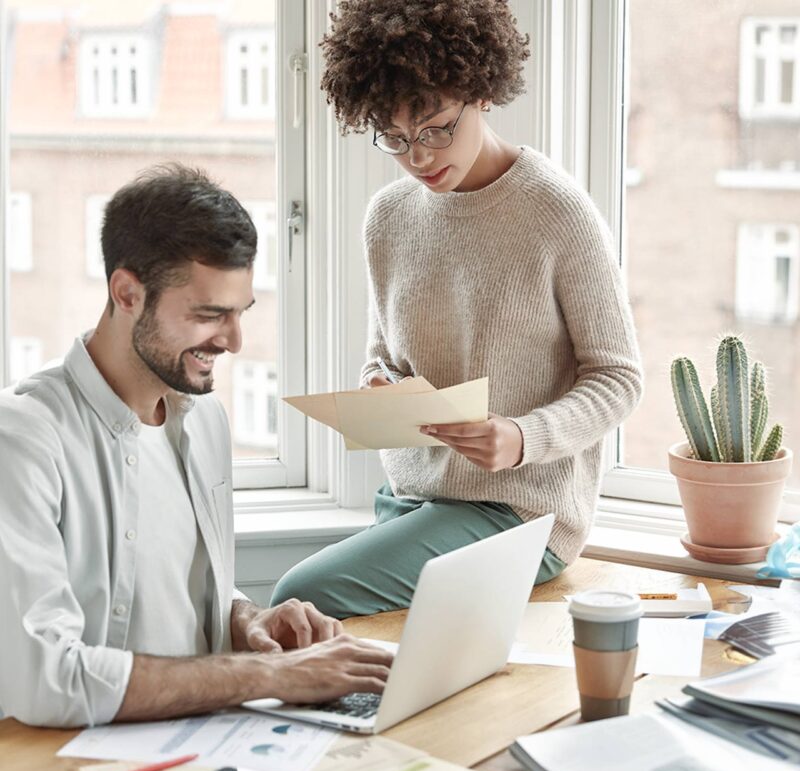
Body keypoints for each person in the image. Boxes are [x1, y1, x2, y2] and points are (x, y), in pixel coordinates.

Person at [271, 0, 643, 619]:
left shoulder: (556, 212)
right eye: (394, 138)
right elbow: (386, 354)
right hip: (410, 498)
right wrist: (380, 385)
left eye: (437, 128)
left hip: (517, 513)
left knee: (297, 598)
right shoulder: (389, 217)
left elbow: (619, 378)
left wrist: (522, 438)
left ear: (481, 93)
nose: (418, 156)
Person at [0, 164, 392, 728]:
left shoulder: (204, 418)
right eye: (211, 315)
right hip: (70, 764)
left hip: (201, 740)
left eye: (239, 314)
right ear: (127, 293)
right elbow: (47, 679)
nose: (234, 341)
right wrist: (273, 677)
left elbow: (171, 586)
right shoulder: (25, 439)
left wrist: (247, 620)